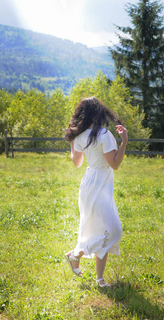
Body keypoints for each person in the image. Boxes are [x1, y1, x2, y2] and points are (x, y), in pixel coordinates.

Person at [64, 97, 128, 288]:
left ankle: (99, 279)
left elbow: (77, 163)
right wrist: (124, 142)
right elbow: (114, 164)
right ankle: (75, 254)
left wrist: (71, 139)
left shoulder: (81, 135)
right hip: (100, 184)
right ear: (99, 113)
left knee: (102, 230)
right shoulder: (104, 135)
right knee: (114, 230)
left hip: (88, 183)